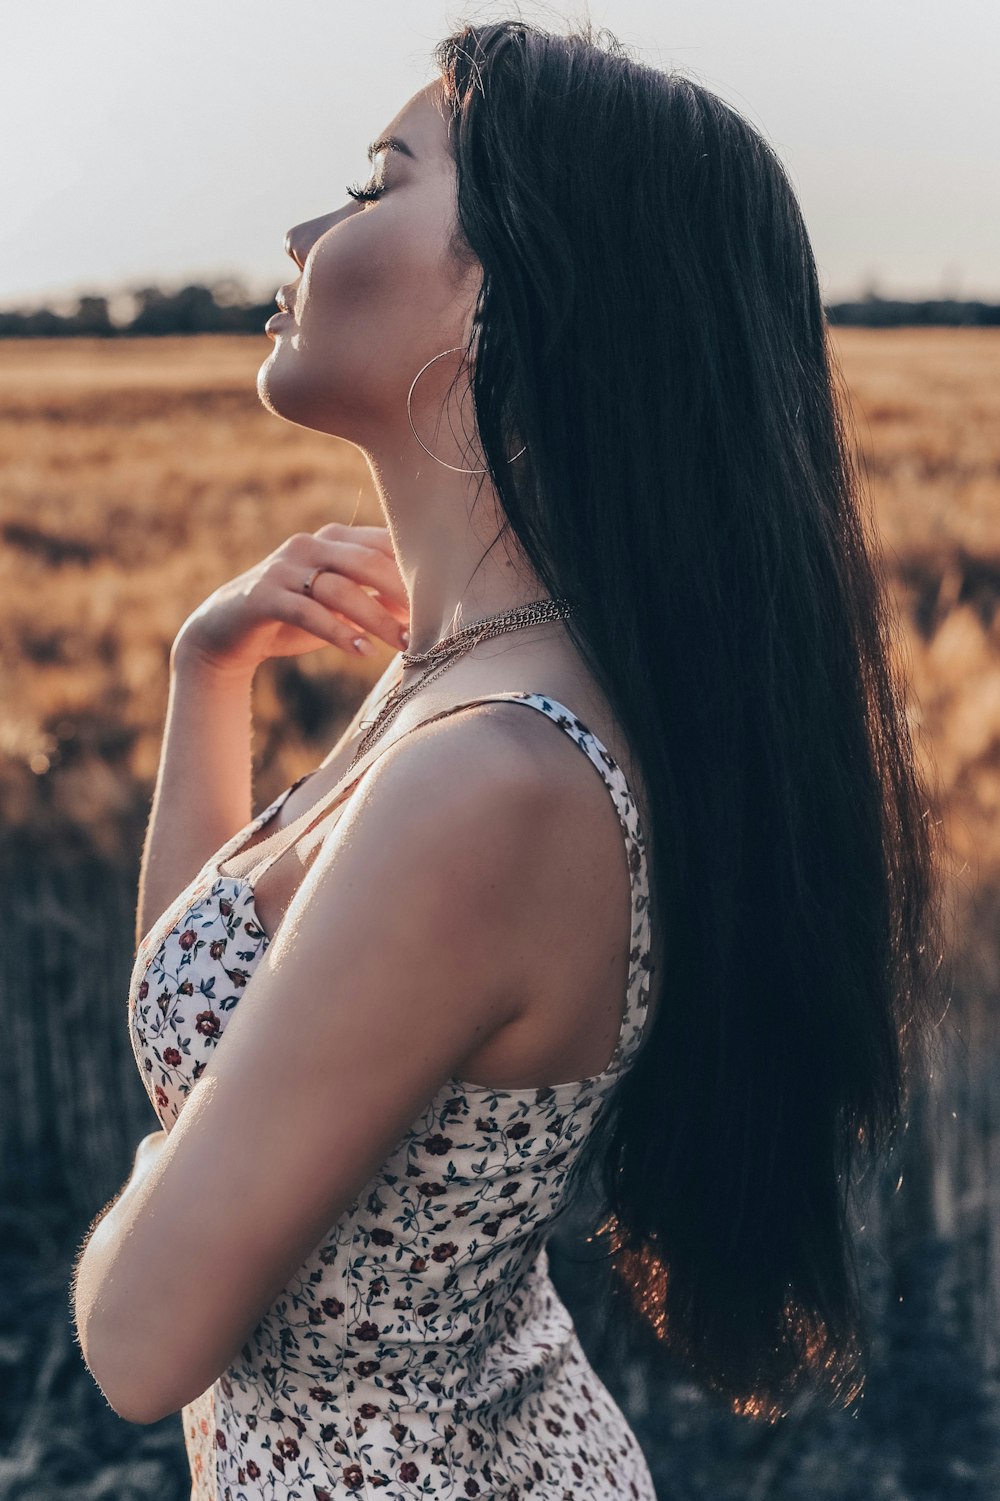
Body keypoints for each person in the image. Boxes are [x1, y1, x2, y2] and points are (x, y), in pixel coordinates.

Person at [71, 17, 947, 1499]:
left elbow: (140, 1341)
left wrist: (159, 1209)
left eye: (374, 181)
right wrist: (201, 679)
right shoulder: (463, 680)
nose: (300, 230)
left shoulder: (491, 782)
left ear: (511, 296)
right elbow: (214, 1051)